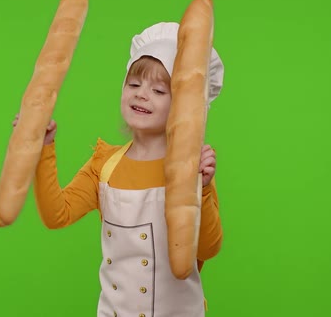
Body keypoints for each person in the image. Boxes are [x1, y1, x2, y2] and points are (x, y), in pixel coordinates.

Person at [13, 22, 225, 317]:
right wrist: (42, 148)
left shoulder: (192, 169)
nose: (141, 94)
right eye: (134, 84)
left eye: (159, 90)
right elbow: (56, 214)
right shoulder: (105, 165)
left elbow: (208, 249)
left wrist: (201, 188)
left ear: (182, 108)